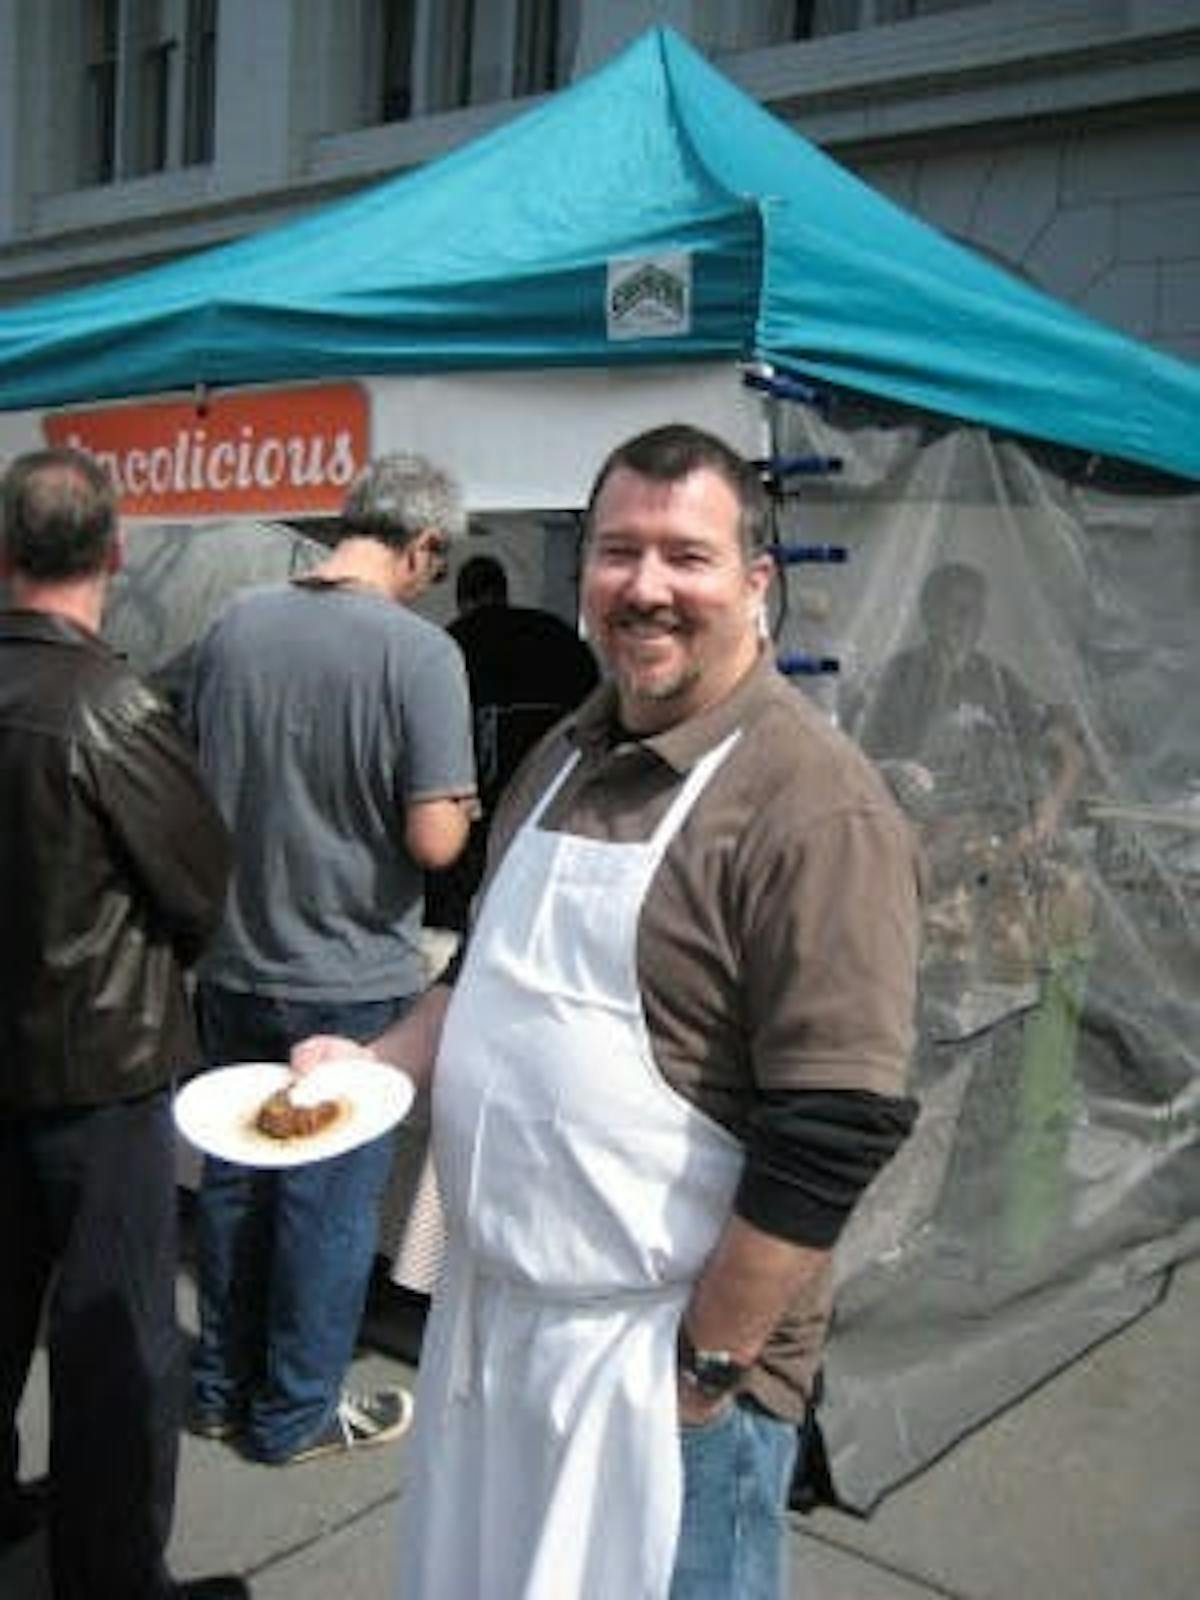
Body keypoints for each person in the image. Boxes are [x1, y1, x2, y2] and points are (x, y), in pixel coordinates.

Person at [296, 423, 922, 1597]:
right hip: (497, 1333)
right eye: (618, 551)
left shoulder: (813, 806)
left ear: (756, 581)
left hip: (660, 1376)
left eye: (686, 556)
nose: (646, 587)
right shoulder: (564, 754)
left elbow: (835, 1127)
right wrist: (370, 1063)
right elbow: (478, 975)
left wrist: (705, 1368)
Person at [184, 452, 477, 1466]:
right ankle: (296, 1411)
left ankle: (219, 1388)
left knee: (233, 1182)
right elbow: (437, 841)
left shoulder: (232, 624)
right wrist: (466, 803)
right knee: (325, 1203)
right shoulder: (420, 654)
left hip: (230, 957)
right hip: (351, 977)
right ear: (424, 546)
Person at [0, 448, 241, 1599]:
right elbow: (200, 888)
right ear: (114, 552)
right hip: (98, 1078)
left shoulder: (105, 700)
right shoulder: (111, 703)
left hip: (47, 1066)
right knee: (117, 1348)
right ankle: (110, 1577)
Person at [425, 552, 599, 933]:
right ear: (503, 591)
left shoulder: (449, 645)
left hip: (479, 804)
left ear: (463, 598)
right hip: (557, 793)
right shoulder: (557, 636)